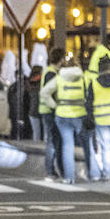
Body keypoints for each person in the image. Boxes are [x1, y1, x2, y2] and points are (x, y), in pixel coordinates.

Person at [41, 53, 85, 186]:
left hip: (56, 112)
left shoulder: (53, 74)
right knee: (55, 143)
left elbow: (45, 92)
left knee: (62, 144)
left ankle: (65, 174)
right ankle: (52, 171)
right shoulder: (53, 74)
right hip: (65, 112)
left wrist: (55, 106)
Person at [38, 49, 64, 180]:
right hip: (50, 112)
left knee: (52, 141)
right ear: (60, 60)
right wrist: (56, 107)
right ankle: (50, 170)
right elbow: (49, 94)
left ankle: (52, 170)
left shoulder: (48, 71)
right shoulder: (51, 74)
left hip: (46, 111)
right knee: (52, 142)